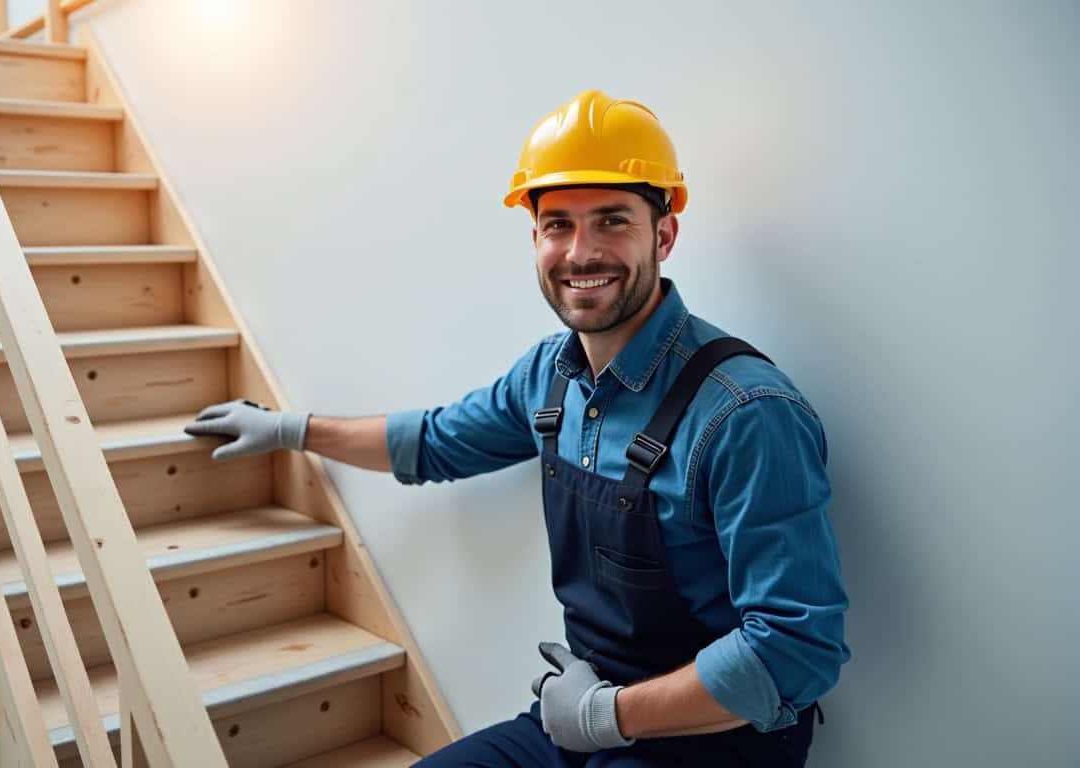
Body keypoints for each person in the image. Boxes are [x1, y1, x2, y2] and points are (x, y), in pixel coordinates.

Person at [182, 90, 850, 767]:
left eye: (611, 221)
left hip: (713, 740)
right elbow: (436, 440)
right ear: (535, 239)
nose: (581, 252)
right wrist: (293, 429)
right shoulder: (547, 378)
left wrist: (606, 716)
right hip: (578, 711)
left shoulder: (745, 413)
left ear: (664, 234)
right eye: (558, 224)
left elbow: (795, 648)